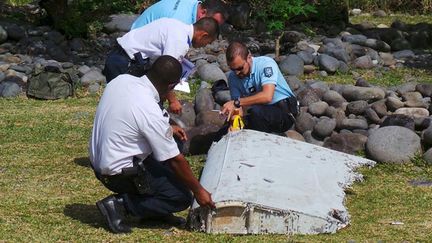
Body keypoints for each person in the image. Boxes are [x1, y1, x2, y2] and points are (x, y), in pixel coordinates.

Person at [90, 55, 215, 234]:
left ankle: (154, 211)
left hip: (100, 160)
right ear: (171, 86)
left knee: (174, 145)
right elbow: (175, 160)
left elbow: (130, 118)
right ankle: (120, 205)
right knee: (179, 196)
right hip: (118, 173)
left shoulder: (121, 80)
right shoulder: (148, 108)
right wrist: (198, 191)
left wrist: (168, 128)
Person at [103, 17, 219, 114]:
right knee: (126, 107)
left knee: (119, 103)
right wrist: (173, 101)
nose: (204, 46)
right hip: (125, 63)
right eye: (207, 42)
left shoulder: (176, 24)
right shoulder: (180, 41)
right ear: (203, 35)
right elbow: (166, 74)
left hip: (118, 55)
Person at [220, 41, 299, 133]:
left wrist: (236, 102)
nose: (237, 73)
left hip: (284, 112)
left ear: (249, 58)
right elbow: (237, 108)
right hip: (261, 111)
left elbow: (267, 96)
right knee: (224, 131)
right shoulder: (233, 77)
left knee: (256, 113)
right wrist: (234, 123)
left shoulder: (265, 64)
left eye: (240, 68)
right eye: (233, 69)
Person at [131, 0, 228, 29]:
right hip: (134, 52)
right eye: (214, 23)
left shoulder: (193, 3)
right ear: (203, 12)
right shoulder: (180, 22)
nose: (213, 29)